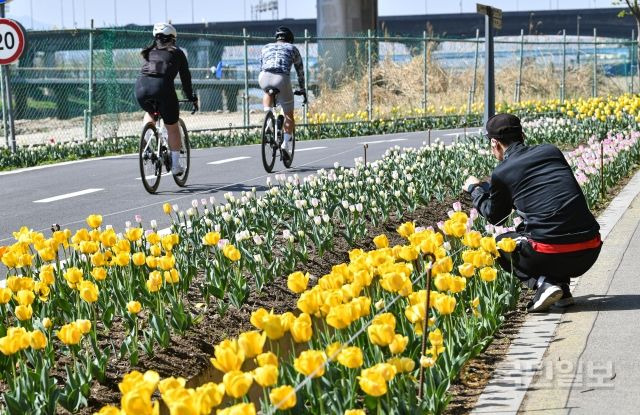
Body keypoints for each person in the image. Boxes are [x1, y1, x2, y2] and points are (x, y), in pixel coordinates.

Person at [463, 114, 602, 312]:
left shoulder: (502, 172)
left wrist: (475, 191)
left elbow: (494, 215)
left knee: (498, 244)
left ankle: (543, 284)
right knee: (539, 227)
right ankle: (562, 289)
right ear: (523, 135)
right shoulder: (551, 151)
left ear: (494, 143)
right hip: (590, 249)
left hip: (551, 253)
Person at [135, 22, 198, 176]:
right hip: (162, 89)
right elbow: (185, 79)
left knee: (150, 111)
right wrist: (191, 98)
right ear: (173, 39)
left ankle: (147, 137)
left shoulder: (148, 52)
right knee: (173, 126)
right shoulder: (177, 52)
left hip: (141, 89)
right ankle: (176, 165)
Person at [258, 26, 305, 158]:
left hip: (263, 77)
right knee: (289, 115)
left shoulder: (265, 47)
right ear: (289, 39)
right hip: (281, 78)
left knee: (267, 92)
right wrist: (302, 89)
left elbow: (261, 65)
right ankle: (285, 144)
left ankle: (268, 118)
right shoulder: (292, 48)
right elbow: (300, 71)